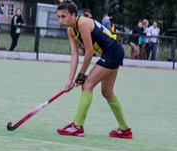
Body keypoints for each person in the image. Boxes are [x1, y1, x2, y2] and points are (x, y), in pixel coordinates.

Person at [54, 2, 132, 139]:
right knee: (107, 92)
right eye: (58, 17)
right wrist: (70, 80)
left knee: (87, 85)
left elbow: (89, 52)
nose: (60, 21)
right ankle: (125, 129)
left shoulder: (83, 23)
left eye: (64, 16)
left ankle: (77, 126)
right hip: (112, 53)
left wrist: (81, 75)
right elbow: (74, 55)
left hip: (112, 52)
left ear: (73, 15)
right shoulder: (70, 31)